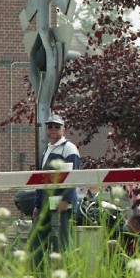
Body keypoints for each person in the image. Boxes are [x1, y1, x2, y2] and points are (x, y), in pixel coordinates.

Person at [27, 114, 80, 269]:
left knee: (60, 242)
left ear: (64, 129)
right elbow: (42, 180)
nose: (53, 130)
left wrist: (67, 199)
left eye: (57, 126)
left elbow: (73, 176)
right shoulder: (48, 150)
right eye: (50, 126)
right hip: (46, 204)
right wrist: (37, 205)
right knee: (35, 240)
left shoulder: (68, 148)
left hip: (60, 204)